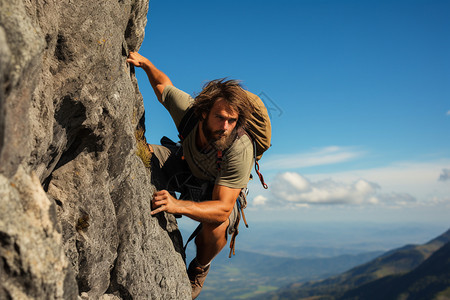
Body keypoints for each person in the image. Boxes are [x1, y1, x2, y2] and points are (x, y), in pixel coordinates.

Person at [127, 51, 255, 299]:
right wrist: (145, 64)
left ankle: (199, 268)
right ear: (204, 112)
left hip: (216, 190)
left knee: (217, 227)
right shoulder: (189, 112)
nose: (226, 127)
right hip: (185, 167)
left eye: (232, 120)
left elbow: (222, 209)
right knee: (141, 152)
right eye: (220, 117)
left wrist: (177, 205)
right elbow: (162, 86)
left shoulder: (239, 148)